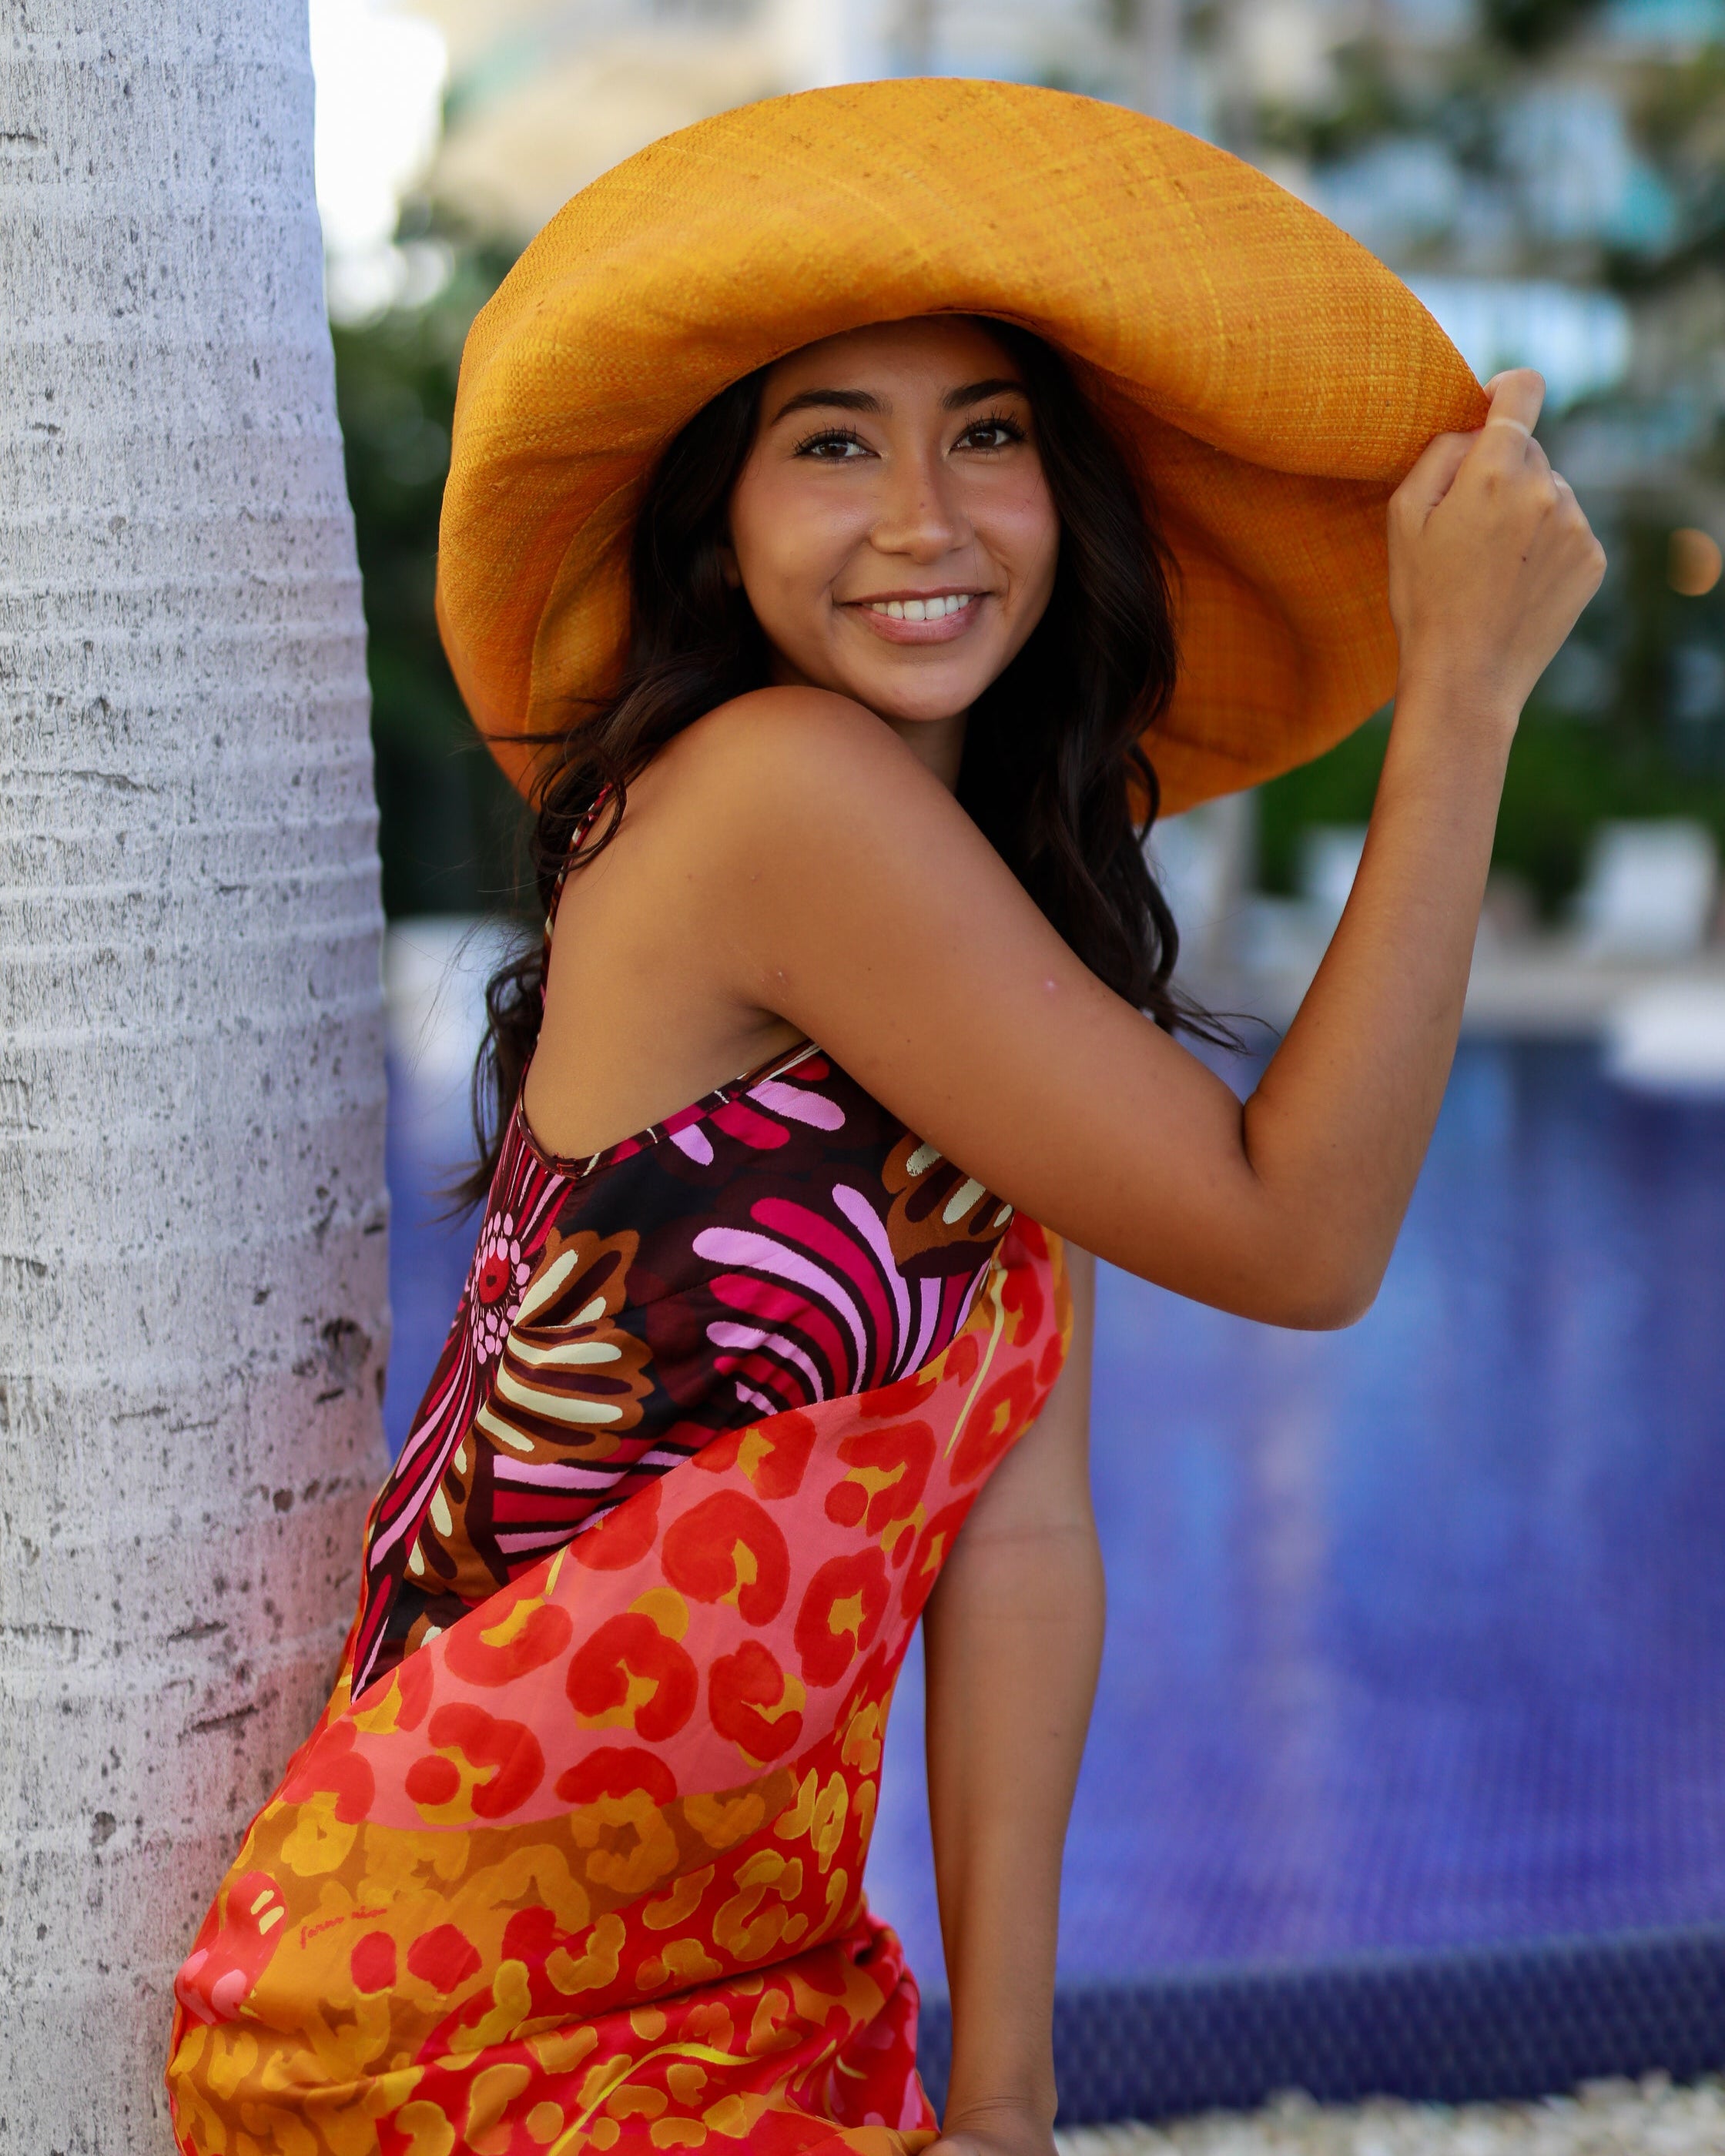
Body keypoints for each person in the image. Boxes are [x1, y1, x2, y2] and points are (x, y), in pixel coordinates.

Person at [166, 79, 1603, 2156]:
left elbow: (1019, 1535)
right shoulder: (775, 796)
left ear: (1064, 496)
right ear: (718, 521)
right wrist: (1458, 696)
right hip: (454, 1986)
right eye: (831, 441)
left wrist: (1004, 2104)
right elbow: (1305, 1243)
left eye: (988, 436)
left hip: (743, 1980)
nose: (925, 520)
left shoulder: (1003, 917)